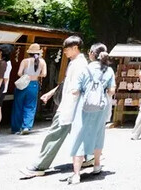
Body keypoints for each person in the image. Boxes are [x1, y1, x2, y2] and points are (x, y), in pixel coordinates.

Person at [20, 36, 89, 178]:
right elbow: (65, 83)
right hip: (73, 106)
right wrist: (51, 93)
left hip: (70, 106)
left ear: (75, 47)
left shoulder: (79, 65)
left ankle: (40, 165)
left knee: (54, 134)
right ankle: (90, 157)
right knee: (79, 135)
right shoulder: (76, 63)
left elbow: (75, 87)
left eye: (67, 49)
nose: (65, 52)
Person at [68, 43, 115, 185]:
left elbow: (75, 91)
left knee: (79, 136)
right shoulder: (109, 70)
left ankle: (76, 174)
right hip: (101, 106)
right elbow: (111, 90)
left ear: (91, 54)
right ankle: (97, 165)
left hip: (85, 106)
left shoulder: (85, 69)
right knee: (98, 133)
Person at [12, 43, 48, 135]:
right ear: (38, 52)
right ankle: (26, 126)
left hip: (24, 83)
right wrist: (35, 75)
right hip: (34, 84)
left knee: (18, 105)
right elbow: (44, 74)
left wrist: (27, 75)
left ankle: (16, 128)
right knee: (30, 106)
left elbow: (19, 73)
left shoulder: (25, 61)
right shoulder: (42, 62)